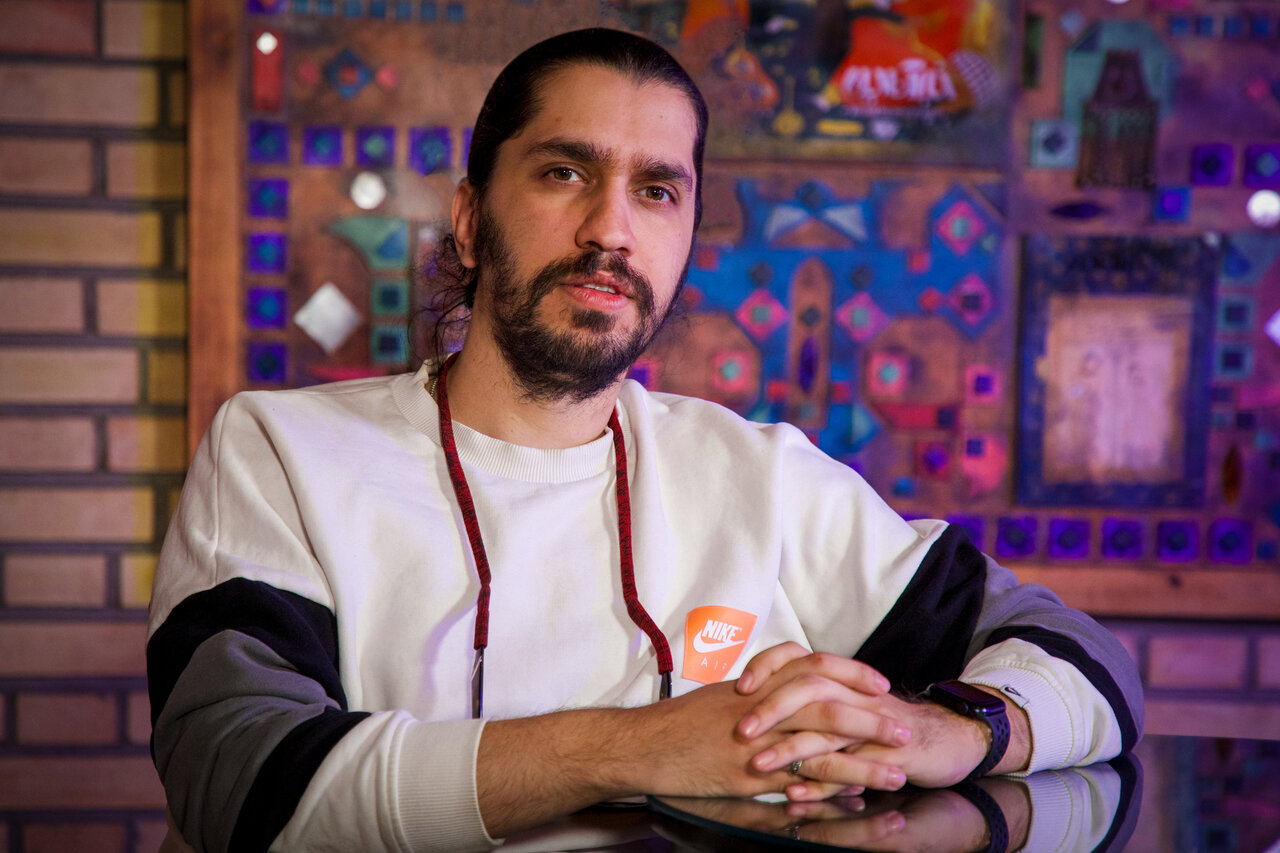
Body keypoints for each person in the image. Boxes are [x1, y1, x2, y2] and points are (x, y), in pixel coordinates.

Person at [147, 27, 1143, 853]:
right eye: (563, 171)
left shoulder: (763, 477)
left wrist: (957, 727)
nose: (609, 229)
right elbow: (239, 781)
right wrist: (638, 746)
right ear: (469, 220)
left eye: (656, 190)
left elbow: (1088, 663)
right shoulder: (280, 451)